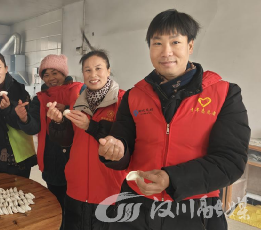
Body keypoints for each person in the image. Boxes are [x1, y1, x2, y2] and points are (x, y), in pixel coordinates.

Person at [98, 9, 251, 230]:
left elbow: (230, 161)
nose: (166, 52)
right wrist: (115, 151)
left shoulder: (224, 94)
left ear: (190, 46)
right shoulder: (134, 95)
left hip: (195, 211)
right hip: (135, 207)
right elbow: (124, 142)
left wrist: (172, 179)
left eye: (175, 42)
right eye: (157, 43)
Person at [47, 50, 127, 230]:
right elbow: (68, 140)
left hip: (109, 187)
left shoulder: (122, 101)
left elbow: (125, 140)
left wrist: (90, 125)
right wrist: (59, 122)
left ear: (108, 70)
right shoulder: (77, 103)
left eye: (98, 68)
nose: (93, 75)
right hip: (76, 185)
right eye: (87, 70)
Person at [15, 54, 85, 229]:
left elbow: (89, 113)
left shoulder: (79, 90)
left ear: (64, 73)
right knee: (56, 202)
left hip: (77, 157)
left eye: (55, 73)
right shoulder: (40, 98)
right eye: (46, 75)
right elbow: (33, 128)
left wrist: (68, 110)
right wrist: (24, 119)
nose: (51, 78)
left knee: (77, 205)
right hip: (51, 158)